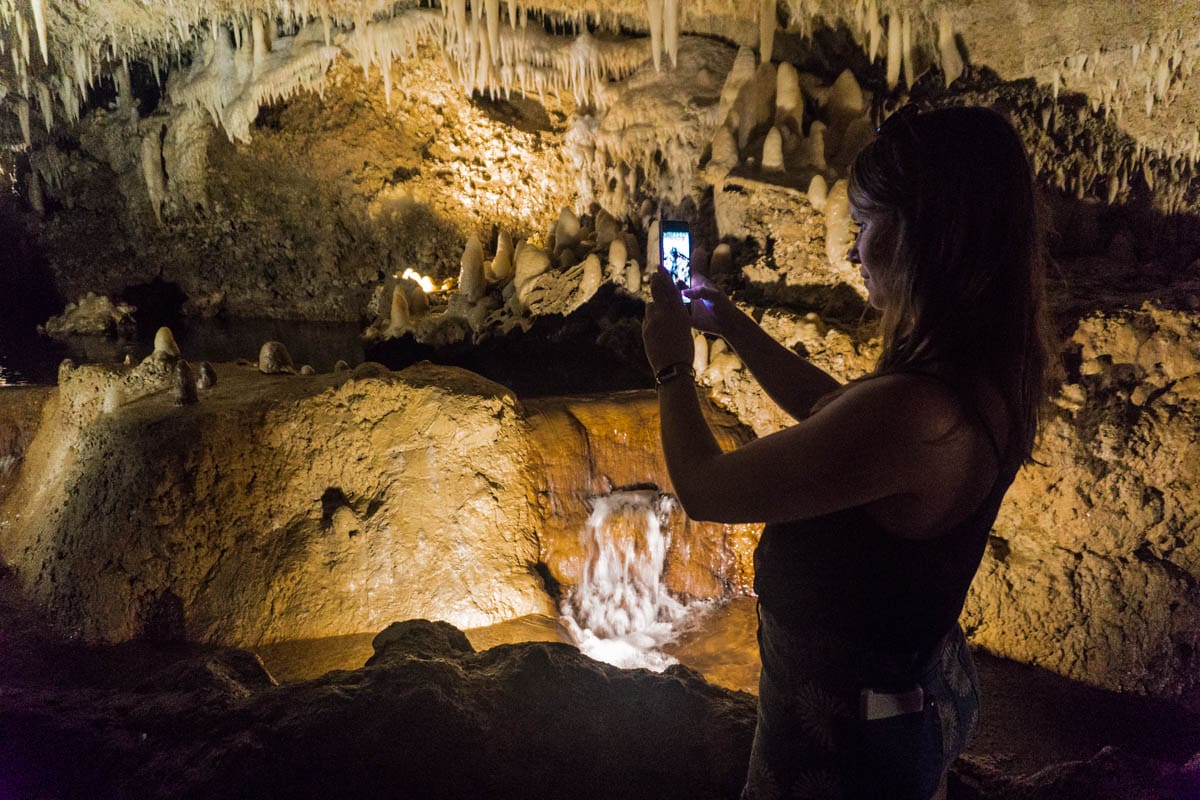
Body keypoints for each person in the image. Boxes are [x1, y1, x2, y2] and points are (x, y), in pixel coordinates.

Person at [642, 105, 1051, 800]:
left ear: (923, 234)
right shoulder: (979, 376)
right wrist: (732, 324)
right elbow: (835, 415)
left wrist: (671, 369)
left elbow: (706, 490)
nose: (854, 250)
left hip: (845, 753)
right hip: (910, 703)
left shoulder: (914, 412)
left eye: (865, 227)